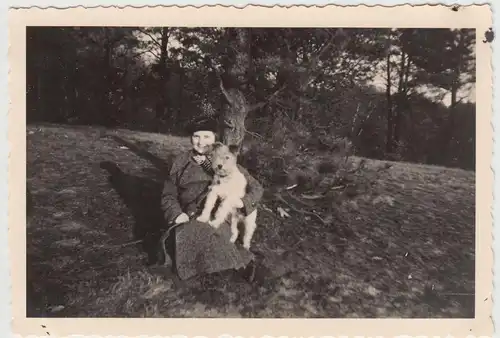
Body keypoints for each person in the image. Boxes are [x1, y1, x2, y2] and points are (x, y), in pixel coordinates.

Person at [156, 115, 264, 283]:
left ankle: (228, 266)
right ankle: (214, 267)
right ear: (191, 138)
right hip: (189, 214)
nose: (201, 142)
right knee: (184, 234)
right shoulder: (179, 162)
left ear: (215, 139)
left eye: (207, 136)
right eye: (196, 136)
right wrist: (176, 214)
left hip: (220, 216)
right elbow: (168, 195)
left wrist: (242, 202)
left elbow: (257, 188)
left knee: (212, 233)